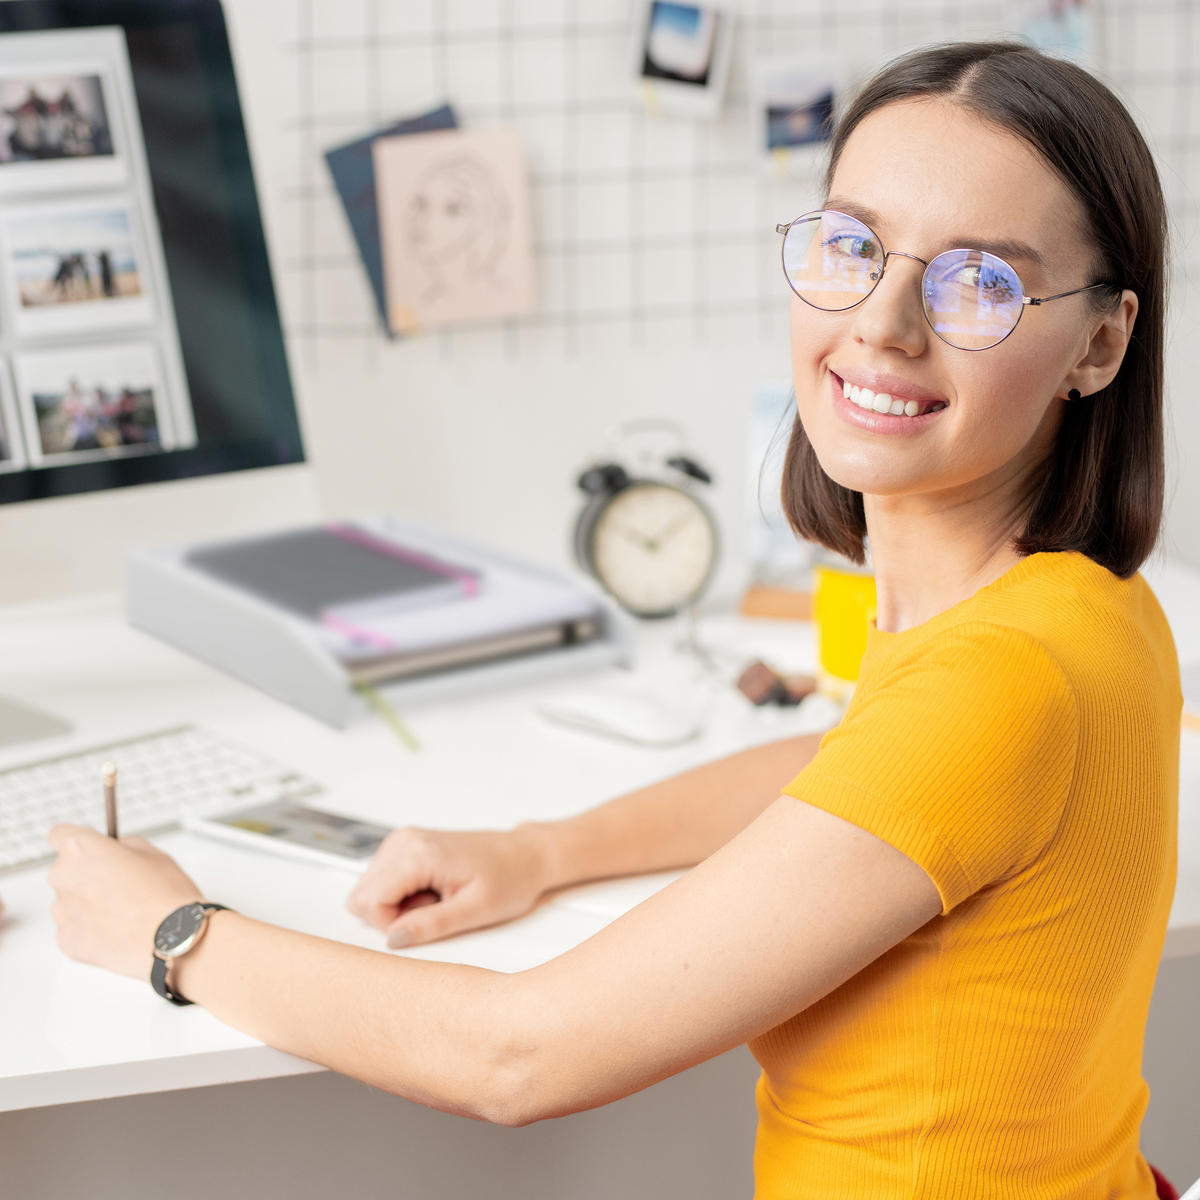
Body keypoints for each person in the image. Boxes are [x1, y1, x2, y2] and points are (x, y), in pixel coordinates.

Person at [47, 41, 1179, 1198]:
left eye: (979, 282)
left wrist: (173, 932)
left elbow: (522, 1055)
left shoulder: (1003, 685)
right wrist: (545, 851)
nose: (886, 324)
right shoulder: (1084, 610)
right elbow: (851, 764)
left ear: (1100, 343)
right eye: (855, 247)